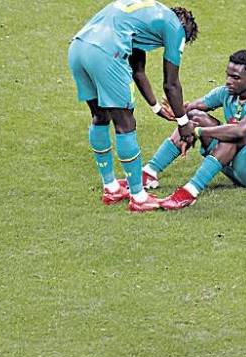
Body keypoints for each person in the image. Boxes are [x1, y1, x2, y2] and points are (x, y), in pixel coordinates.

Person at [67, 1, 198, 212]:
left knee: (100, 116)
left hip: (78, 48)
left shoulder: (145, 16)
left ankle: (111, 187)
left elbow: (138, 70)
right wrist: (184, 124)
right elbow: (171, 84)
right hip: (106, 54)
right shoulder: (176, 27)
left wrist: (156, 107)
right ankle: (139, 197)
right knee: (126, 123)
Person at [131, 50, 246, 210]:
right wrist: (178, 113)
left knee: (234, 133)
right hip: (237, 163)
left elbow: (239, 132)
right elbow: (191, 109)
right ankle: (149, 172)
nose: (228, 81)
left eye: (235, 78)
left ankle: (189, 192)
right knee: (195, 117)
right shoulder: (226, 92)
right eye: (228, 75)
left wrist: (197, 132)